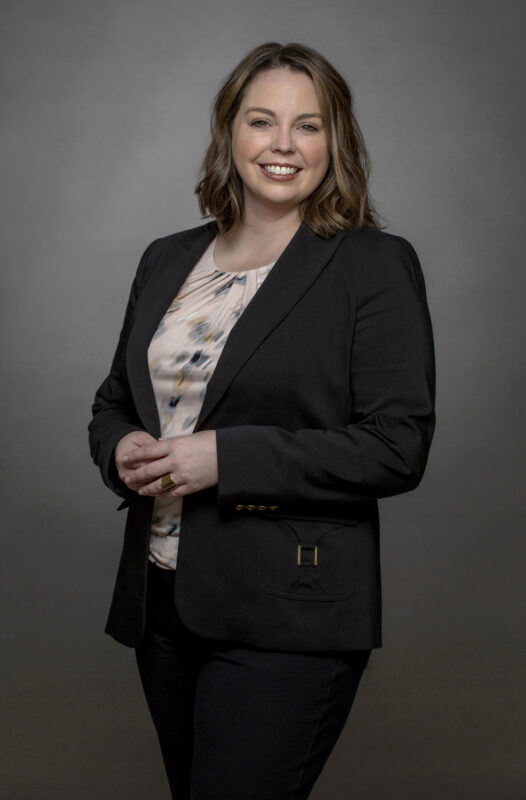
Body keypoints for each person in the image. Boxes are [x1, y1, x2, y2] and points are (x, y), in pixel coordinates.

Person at [88, 41, 436, 800]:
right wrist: (122, 448)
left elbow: (396, 447)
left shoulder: (371, 265)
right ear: (229, 133)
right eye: (261, 121)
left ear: (334, 142)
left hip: (290, 610)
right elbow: (116, 398)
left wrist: (226, 458)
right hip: (163, 603)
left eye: (308, 126)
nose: (283, 145)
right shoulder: (166, 259)